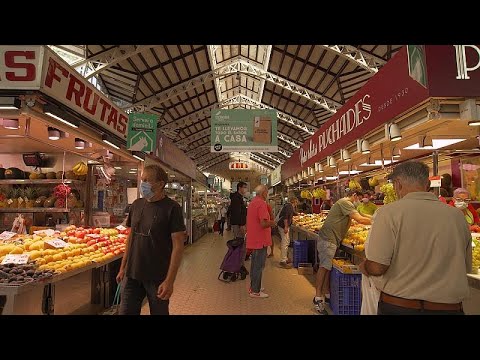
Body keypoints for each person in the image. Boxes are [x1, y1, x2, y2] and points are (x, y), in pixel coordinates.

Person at [359, 161, 471, 315]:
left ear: (398, 184)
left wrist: (365, 266)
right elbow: (465, 265)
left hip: (402, 307)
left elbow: (378, 267)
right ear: (427, 184)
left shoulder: (389, 213)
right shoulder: (457, 216)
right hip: (450, 308)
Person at [116, 165, 186, 315]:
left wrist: (170, 280)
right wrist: (123, 267)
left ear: (160, 184)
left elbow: (178, 246)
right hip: (132, 274)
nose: (142, 184)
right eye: (142, 180)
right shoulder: (136, 205)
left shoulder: (172, 208)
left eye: (147, 180)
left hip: (158, 277)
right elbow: (131, 237)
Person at [314, 190, 372, 315]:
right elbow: (360, 219)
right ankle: (318, 297)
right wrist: (378, 221)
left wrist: (375, 217)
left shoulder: (346, 204)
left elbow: (361, 214)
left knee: (327, 267)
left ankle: (326, 293)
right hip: (328, 239)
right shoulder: (345, 202)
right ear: (355, 196)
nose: (360, 202)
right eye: (359, 199)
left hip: (332, 239)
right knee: (324, 267)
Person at [246, 185, 276, 298]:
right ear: (263, 193)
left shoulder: (253, 203)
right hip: (260, 239)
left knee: (254, 264)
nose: (267, 194)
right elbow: (263, 223)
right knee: (258, 265)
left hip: (254, 238)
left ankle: (254, 286)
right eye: (267, 192)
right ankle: (255, 291)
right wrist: (273, 223)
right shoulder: (262, 204)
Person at [230, 182, 248, 275]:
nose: (246, 189)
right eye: (244, 187)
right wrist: (241, 225)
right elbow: (237, 213)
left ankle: (240, 264)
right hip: (238, 225)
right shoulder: (236, 198)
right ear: (239, 188)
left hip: (239, 224)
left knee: (241, 246)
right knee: (241, 246)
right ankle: (239, 266)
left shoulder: (239, 198)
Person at [277, 197, 299, 269]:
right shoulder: (289, 207)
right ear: (294, 201)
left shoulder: (289, 206)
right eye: (296, 202)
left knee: (286, 241)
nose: (297, 203)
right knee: (285, 242)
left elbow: (293, 213)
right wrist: (286, 227)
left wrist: (299, 214)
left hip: (282, 225)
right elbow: (285, 217)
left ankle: (285, 258)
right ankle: (283, 261)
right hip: (283, 226)